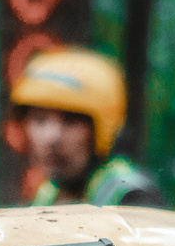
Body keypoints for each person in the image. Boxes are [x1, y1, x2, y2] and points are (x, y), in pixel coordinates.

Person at [9, 47, 165, 209]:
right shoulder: (47, 193)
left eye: (70, 121)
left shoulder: (129, 193)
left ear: (102, 128)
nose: (52, 137)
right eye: (40, 120)